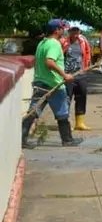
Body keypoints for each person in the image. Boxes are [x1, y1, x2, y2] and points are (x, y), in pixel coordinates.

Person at [21, 19, 83, 149]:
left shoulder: (42, 43)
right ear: (57, 30)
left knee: (33, 111)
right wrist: (64, 75)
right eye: (62, 28)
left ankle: (22, 139)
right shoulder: (54, 44)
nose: (64, 30)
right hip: (53, 84)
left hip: (40, 82)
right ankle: (67, 140)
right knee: (62, 113)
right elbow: (50, 62)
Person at [61, 26, 92, 130]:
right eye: (73, 30)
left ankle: (79, 123)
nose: (75, 32)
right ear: (69, 32)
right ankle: (66, 122)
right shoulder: (64, 42)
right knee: (67, 98)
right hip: (68, 75)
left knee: (82, 97)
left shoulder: (83, 41)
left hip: (81, 74)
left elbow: (87, 53)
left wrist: (86, 67)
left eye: (77, 30)